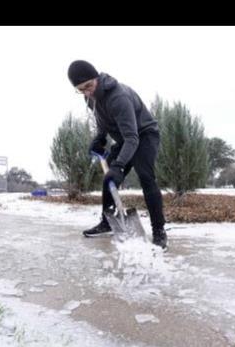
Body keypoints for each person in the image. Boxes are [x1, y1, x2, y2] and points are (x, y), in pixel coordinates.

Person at [67, 60, 167, 249]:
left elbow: (133, 137)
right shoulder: (90, 97)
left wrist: (120, 165)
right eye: (81, 90)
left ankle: (159, 232)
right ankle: (107, 220)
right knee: (109, 177)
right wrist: (100, 137)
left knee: (146, 177)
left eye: (88, 86)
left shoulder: (118, 97)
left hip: (144, 135)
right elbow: (101, 118)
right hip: (125, 139)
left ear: (96, 78)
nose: (86, 92)